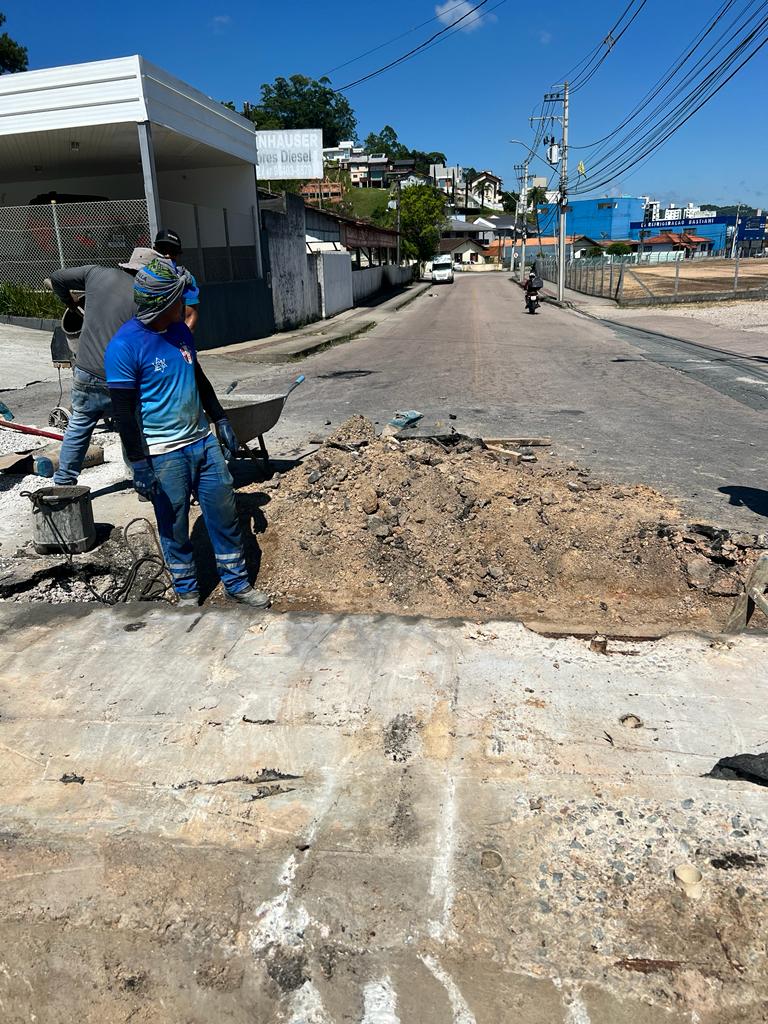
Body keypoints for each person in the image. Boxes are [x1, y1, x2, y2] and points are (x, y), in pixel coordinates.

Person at [105, 257, 268, 609]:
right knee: (173, 523)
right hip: (164, 453)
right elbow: (122, 413)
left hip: (202, 442)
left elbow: (197, 376)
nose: (187, 305)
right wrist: (139, 463)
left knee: (223, 511)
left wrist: (220, 418)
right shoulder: (125, 346)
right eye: (181, 299)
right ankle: (187, 591)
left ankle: (236, 584)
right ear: (164, 302)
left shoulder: (180, 332)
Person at [47, 248, 156, 485]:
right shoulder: (145, 298)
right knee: (134, 426)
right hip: (122, 377)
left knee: (79, 425)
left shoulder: (95, 274)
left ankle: (64, 481)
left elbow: (56, 278)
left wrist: (70, 303)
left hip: (86, 370)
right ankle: (141, 481)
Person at [153, 228, 200, 332]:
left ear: (178, 254)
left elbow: (190, 315)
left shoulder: (186, 279)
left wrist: (182, 341)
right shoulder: (143, 276)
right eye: (163, 249)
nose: (167, 255)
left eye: (173, 251)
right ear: (155, 249)